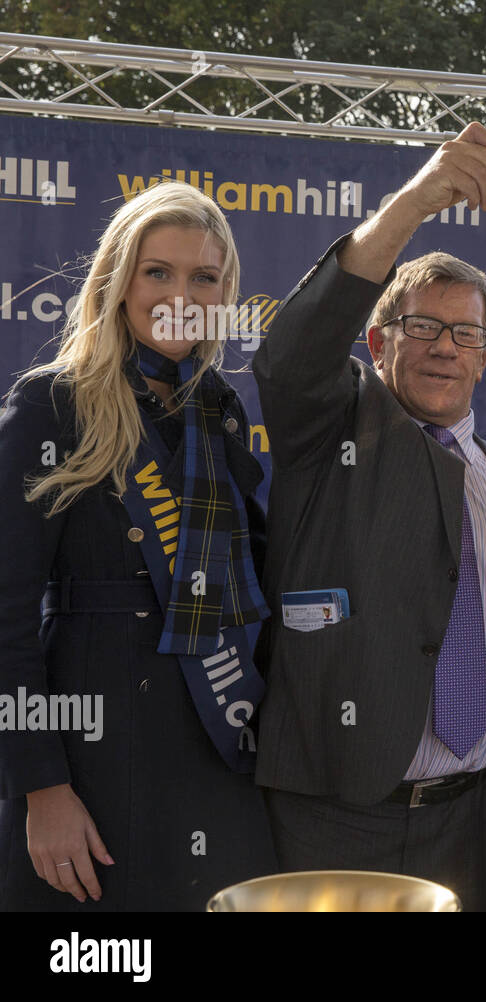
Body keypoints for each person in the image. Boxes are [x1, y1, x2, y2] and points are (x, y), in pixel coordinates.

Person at [252, 122, 486, 912]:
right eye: (420, 327)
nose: (442, 347)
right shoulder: (331, 435)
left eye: (465, 333)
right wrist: (416, 202)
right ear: (376, 342)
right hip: (338, 821)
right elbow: (292, 352)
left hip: (479, 824)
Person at [0, 181, 278, 910]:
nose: (178, 293)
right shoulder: (52, 403)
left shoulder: (220, 411)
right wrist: (42, 787)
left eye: (203, 277)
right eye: (158, 271)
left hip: (216, 751)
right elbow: (6, 618)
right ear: (118, 281)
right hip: (95, 760)